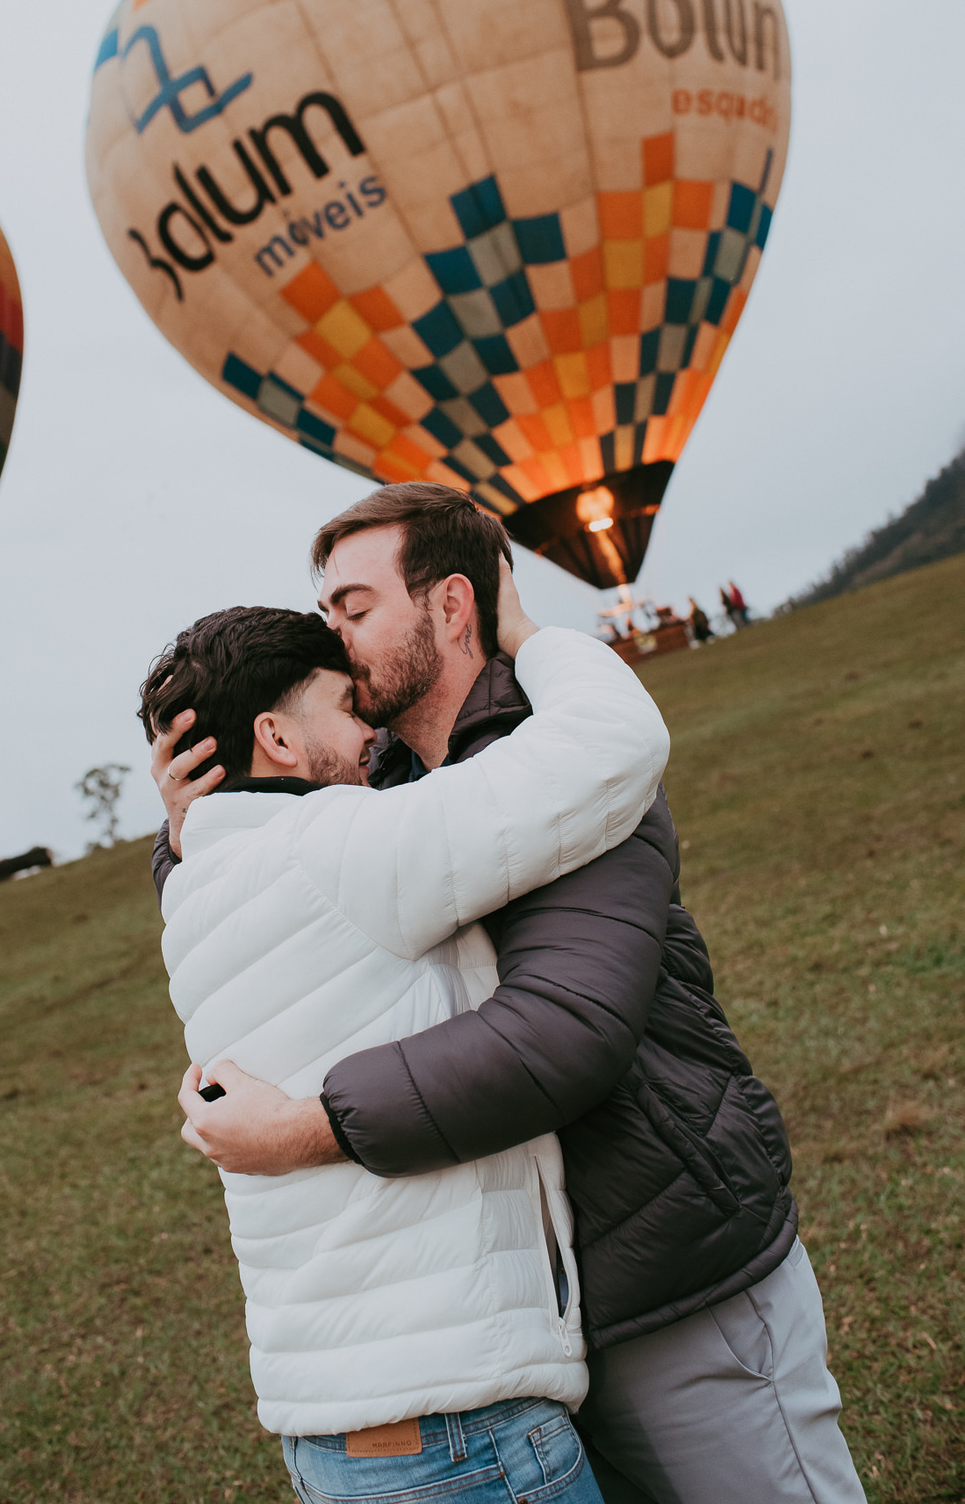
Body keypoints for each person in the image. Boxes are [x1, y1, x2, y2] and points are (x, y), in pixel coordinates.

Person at [158, 483, 867, 1504]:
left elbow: (561, 1032)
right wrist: (199, 820)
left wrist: (311, 1126)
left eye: (352, 609)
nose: (332, 637)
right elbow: (282, 886)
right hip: (533, 1319)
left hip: (670, 1274)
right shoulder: (381, 789)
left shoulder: (567, 780)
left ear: (452, 607)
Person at [142, 575, 671, 1500]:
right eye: (345, 710)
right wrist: (529, 634)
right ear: (275, 737)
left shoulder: (190, 890)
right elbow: (611, 750)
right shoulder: (340, 846)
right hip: (454, 1429)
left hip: (334, 1436)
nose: (371, 736)